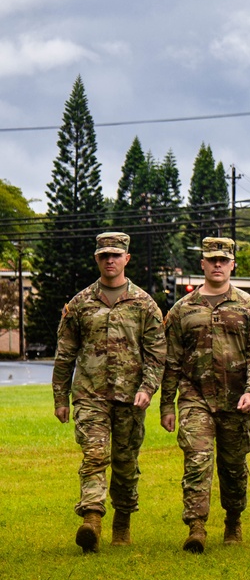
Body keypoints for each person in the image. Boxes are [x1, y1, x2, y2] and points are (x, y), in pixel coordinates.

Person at [52, 232, 166, 552]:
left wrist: (148, 387)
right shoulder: (80, 304)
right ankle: (92, 518)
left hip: (131, 397)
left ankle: (122, 520)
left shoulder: (144, 304)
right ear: (97, 259)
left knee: (125, 463)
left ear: (127, 259)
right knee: (94, 455)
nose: (110, 260)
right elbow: (65, 354)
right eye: (104, 256)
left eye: (116, 255)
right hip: (90, 394)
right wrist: (61, 398)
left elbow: (157, 353)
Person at [160, 236, 250, 552]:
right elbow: (171, 360)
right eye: (212, 259)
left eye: (224, 260)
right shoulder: (182, 310)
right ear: (203, 264)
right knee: (197, 459)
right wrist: (167, 403)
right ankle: (196, 527)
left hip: (236, 399)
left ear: (233, 264)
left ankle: (233, 521)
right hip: (195, 396)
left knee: (233, 467)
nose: (218, 264)